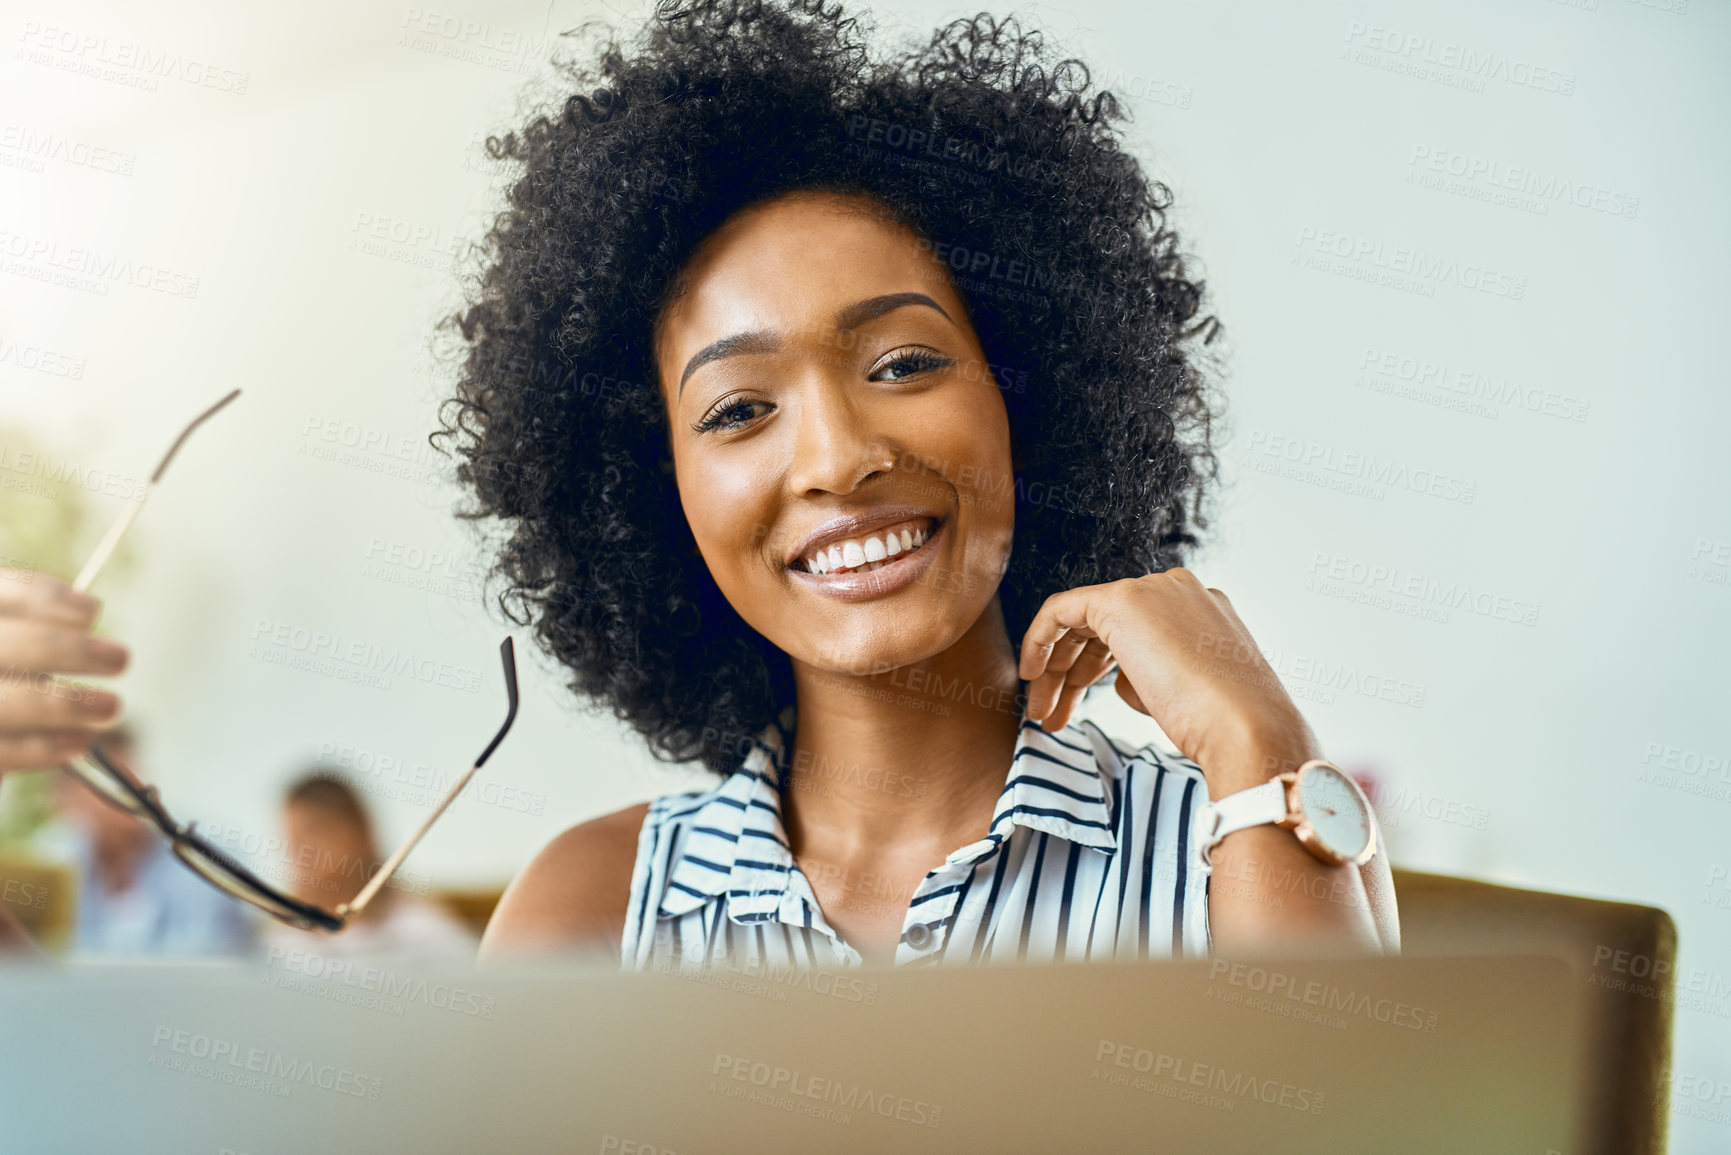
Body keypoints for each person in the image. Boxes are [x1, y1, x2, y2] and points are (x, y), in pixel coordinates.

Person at [439, 1, 1398, 968]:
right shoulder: (588, 912)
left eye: (901, 364)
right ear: (657, 492)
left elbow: (1356, 1119)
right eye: (736, 410)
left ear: (1024, 390)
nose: (836, 458)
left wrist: (1255, 730)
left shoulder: (1246, 830)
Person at [46, 724, 256, 958]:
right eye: (110, 784)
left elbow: (206, 959)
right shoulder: (59, 862)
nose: (130, 792)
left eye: (131, 777)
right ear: (68, 799)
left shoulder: (207, 854)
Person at [257, 772, 475, 960]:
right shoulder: (278, 944)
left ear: (362, 834)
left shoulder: (424, 932)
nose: (299, 852)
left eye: (313, 834)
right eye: (291, 839)